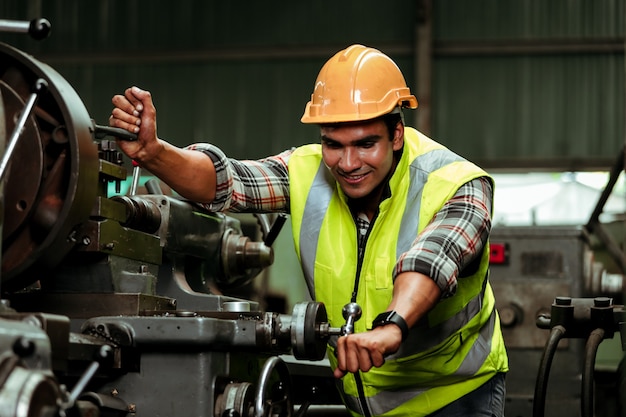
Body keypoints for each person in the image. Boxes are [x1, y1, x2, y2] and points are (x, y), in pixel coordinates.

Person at [109, 44, 509, 417]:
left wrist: (391, 328)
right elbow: (228, 182)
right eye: (333, 144)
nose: (348, 163)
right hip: (363, 401)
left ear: (397, 133)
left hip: (456, 395)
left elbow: (432, 258)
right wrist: (154, 153)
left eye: (365, 143)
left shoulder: (456, 184)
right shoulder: (308, 171)